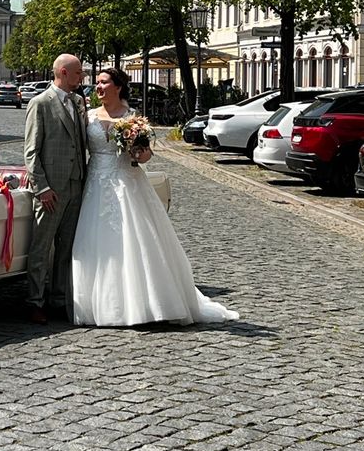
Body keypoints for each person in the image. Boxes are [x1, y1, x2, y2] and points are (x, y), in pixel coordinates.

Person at [71, 67, 239, 326]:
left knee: (135, 239)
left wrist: (138, 152)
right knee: (98, 241)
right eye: (97, 84)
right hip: (96, 182)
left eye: (103, 83)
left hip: (126, 180)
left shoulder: (132, 118)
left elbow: (146, 154)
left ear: (118, 87)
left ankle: (147, 303)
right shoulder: (88, 116)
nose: (98, 88)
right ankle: (104, 304)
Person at [24, 54, 86, 324]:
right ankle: (34, 302)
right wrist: (42, 187)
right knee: (41, 248)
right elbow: (30, 151)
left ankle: (58, 299)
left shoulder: (78, 102)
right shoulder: (40, 103)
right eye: (78, 73)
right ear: (62, 72)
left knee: (66, 248)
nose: (82, 77)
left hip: (76, 185)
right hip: (51, 190)